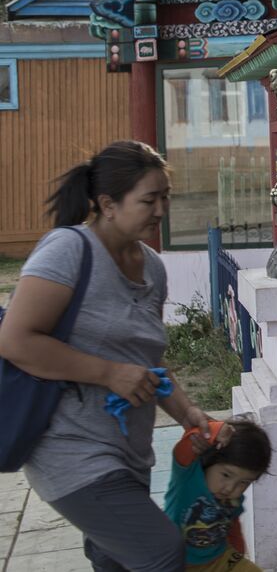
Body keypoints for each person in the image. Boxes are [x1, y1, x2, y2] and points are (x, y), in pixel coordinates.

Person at [0, 141, 213, 571]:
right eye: (149, 200)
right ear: (107, 204)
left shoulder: (151, 265)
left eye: (165, 198)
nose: (161, 211)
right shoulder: (67, 250)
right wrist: (109, 373)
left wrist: (186, 410)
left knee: (116, 560)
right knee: (161, 552)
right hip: (69, 450)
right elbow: (15, 341)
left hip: (129, 450)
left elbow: (149, 355)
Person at [163, 418, 272, 571]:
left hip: (219, 559)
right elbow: (185, 445)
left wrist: (237, 556)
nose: (230, 488)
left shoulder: (233, 500)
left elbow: (233, 527)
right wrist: (215, 430)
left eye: (244, 482)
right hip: (175, 562)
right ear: (210, 458)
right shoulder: (187, 477)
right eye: (226, 475)